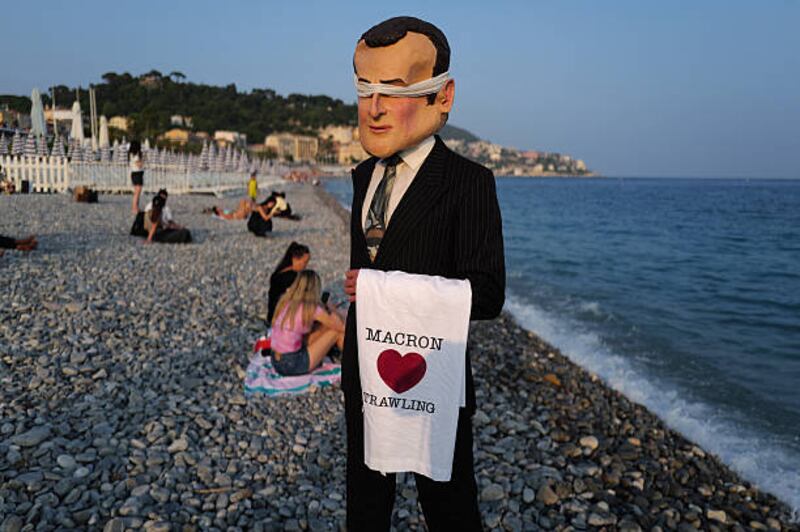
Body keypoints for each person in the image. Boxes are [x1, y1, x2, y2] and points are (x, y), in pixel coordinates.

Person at [341, 17, 505, 531]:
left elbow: (490, 293)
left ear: (443, 96)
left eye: (394, 89)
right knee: (366, 499)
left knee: (448, 503)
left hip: (435, 375)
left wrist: (385, 290)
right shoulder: (363, 175)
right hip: (365, 370)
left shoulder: (467, 182)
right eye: (365, 87)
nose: (375, 105)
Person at [270, 270, 345, 376]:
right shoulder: (311, 308)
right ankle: (350, 359)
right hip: (293, 364)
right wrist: (330, 306)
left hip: (275, 360)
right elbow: (341, 327)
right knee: (335, 331)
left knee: (323, 326)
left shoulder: (286, 301)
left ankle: (340, 353)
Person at [268, 242, 311, 324]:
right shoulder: (291, 277)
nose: (305, 266)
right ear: (294, 259)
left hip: (272, 315)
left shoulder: (279, 272)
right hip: (280, 318)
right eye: (304, 262)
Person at [129, 140, 144, 214]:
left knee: (136, 192)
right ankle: (134, 208)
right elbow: (139, 164)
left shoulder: (131, 154)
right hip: (137, 173)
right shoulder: (136, 155)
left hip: (134, 173)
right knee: (137, 192)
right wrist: (142, 162)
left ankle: (136, 207)